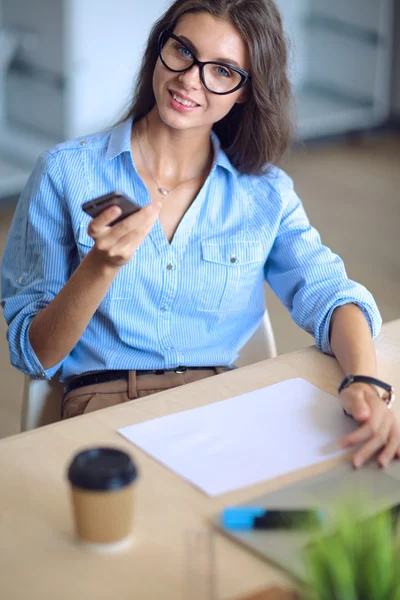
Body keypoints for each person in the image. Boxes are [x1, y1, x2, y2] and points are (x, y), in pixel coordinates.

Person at [1, 0, 398, 468]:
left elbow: (333, 295)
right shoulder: (64, 173)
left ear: (245, 92)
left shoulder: (264, 193)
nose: (191, 79)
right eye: (183, 51)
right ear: (160, 48)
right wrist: (100, 267)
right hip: (105, 406)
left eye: (223, 71)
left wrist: (367, 383)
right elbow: (33, 351)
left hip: (224, 403)